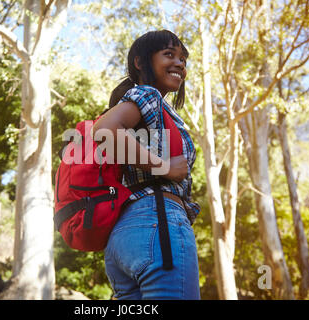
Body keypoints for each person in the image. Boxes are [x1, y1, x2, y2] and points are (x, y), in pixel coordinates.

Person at [92, 30, 200, 300]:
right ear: (140, 62)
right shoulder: (148, 96)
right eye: (169, 54)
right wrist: (165, 167)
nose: (180, 64)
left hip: (123, 237)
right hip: (158, 224)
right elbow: (104, 131)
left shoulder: (139, 102)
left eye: (183, 59)